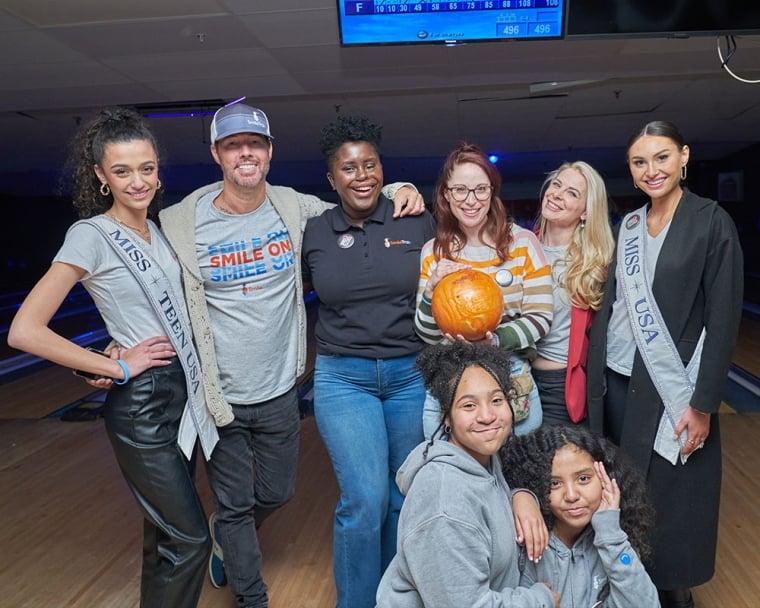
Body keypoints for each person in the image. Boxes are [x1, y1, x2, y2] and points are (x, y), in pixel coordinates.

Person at [157, 100, 425, 608]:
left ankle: (396, 593)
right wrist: (116, 343)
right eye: (233, 145)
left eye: (254, 143)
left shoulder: (294, 209)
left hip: (284, 386)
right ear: (216, 153)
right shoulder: (180, 222)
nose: (245, 153)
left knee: (284, 493)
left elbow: (359, 191)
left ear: (270, 151)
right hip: (226, 390)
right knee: (332, 501)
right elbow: (151, 284)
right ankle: (261, 596)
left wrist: (399, 188)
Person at [7, 107, 218, 607]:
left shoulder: (161, 231)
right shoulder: (91, 235)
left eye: (146, 168)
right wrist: (112, 364)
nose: (137, 181)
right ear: (101, 177)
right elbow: (24, 330)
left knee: (164, 538)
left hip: (179, 397)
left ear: (158, 170)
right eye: (121, 171)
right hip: (141, 407)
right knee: (190, 541)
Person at [586, 121, 744, 608]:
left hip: (672, 386)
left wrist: (702, 403)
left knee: (673, 496)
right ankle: (628, 587)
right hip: (616, 379)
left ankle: (673, 592)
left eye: (661, 157)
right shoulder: (629, 225)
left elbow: (723, 316)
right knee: (626, 486)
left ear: (684, 158)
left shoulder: (710, 220)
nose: (651, 170)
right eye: (640, 162)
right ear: (631, 173)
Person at [300, 115, 436, 608]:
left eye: (371, 164)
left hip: (410, 376)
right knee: (365, 500)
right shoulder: (314, 231)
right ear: (332, 179)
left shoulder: (416, 219)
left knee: (404, 498)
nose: (362, 175)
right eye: (349, 168)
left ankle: (397, 598)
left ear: (384, 170)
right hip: (343, 378)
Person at [376, 341, 559, 608]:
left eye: (496, 400)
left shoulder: (484, 459)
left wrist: (519, 495)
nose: (487, 416)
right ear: (446, 417)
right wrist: (539, 599)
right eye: (469, 405)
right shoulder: (444, 504)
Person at [415, 142, 553, 438]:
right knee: (450, 476)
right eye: (460, 190)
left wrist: (494, 341)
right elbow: (427, 334)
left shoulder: (523, 243)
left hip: (511, 375)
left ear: (492, 191)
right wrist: (429, 292)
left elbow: (541, 318)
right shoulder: (434, 251)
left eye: (481, 189)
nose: (471, 200)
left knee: (519, 475)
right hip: (448, 376)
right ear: (446, 195)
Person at [502, 425, 660, 607]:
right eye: (554, 483)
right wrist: (520, 495)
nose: (571, 495)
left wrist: (611, 536)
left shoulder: (615, 537)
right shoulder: (527, 542)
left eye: (583, 479)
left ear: (606, 478)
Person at [532, 162, 614, 425]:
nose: (557, 193)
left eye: (572, 193)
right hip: (515, 380)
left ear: (586, 212)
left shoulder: (595, 265)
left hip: (560, 389)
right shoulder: (519, 247)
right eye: (556, 184)